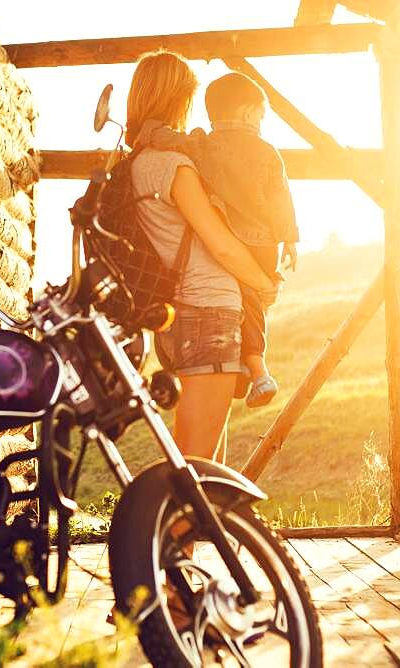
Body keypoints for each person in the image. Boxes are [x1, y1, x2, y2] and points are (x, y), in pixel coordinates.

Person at [126, 52, 279, 461]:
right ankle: (165, 528)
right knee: (194, 469)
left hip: (179, 317)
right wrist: (263, 285)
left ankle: (198, 528)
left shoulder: (137, 163)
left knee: (207, 470)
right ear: (179, 99)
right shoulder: (174, 165)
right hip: (208, 312)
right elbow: (221, 242)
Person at [136, 71, 300, 409]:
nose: (260, 122)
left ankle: (254, 369)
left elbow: (169, 139)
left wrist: (148, 132)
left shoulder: (202, 145)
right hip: (262, 240)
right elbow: (281, 199)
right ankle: (256, 368)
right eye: (260, 115)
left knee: (245, 299)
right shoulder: (268, 152)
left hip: (229, 233)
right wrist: (290, 240)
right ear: (247, 113)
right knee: (253, 299)